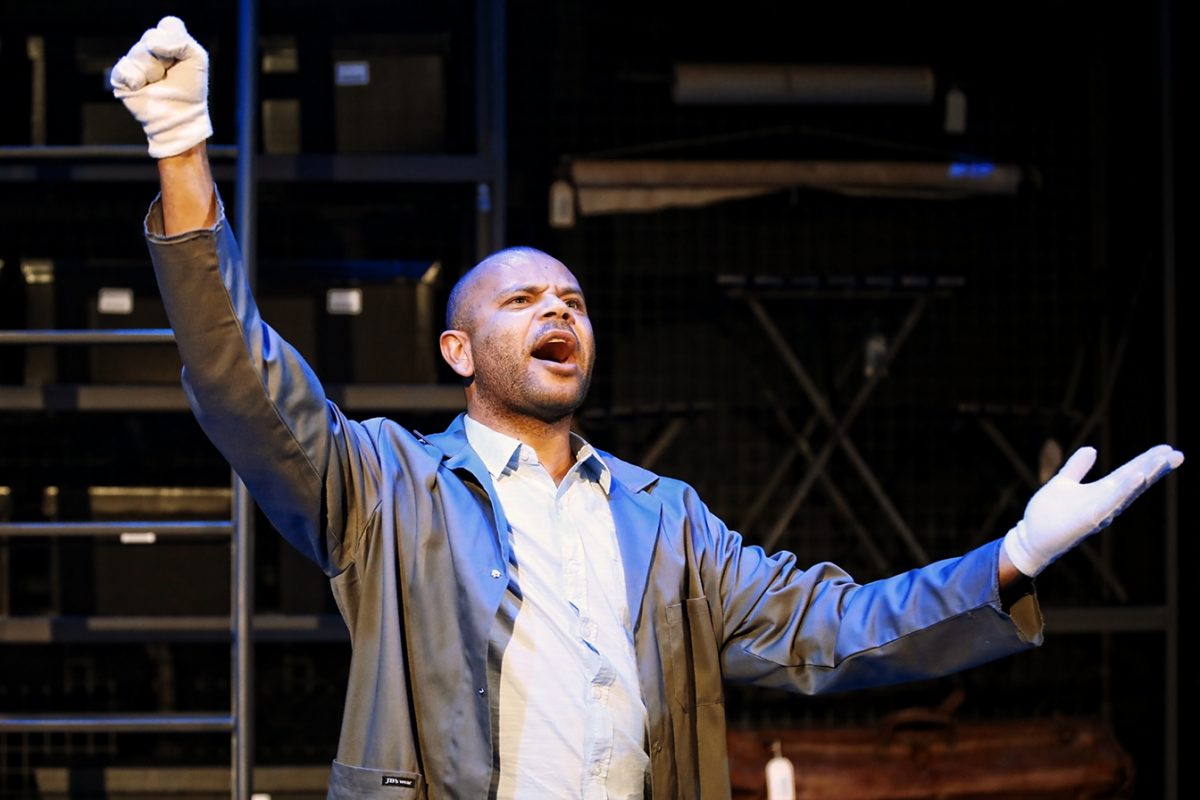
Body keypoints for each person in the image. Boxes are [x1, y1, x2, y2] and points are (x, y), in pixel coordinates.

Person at [110, 16, 1183, 800]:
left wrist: (1010, 561)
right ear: (458, 348)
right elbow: (240, 382)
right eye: (523, 298)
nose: (557, 309)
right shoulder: (388, 484)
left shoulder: (667, 518)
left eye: (572, 298)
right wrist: (181, 145)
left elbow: (833, 629)